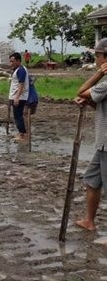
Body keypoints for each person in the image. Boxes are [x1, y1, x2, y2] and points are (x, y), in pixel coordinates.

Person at [74, 38, 107, 231]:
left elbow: (82, 90)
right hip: (102, 142)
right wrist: (87, 102)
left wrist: (98, 73)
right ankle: (89, 220)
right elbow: (100, 105)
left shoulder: (105, 83)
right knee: (92, 179)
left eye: (97, 56)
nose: (95, 59)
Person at [8, 52, 29, 141]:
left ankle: (22, 135)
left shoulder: (21, 70)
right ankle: (22, 133)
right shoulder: (19, 69)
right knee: (18, 116)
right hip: (18, 96)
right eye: (10, 61)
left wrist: (16, 97)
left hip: (19, 97)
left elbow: (21, 84)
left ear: (18, 61)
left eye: (12, 61)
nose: (11, 63)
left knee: (18, 116)